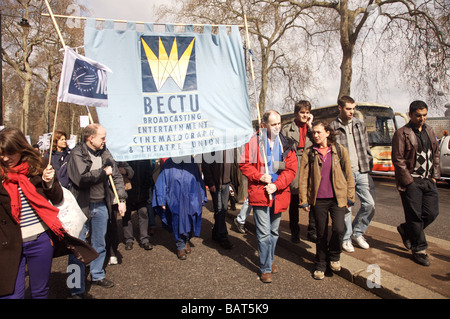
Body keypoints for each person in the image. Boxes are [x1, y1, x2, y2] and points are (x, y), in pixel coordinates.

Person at [0, 127, 97, 299]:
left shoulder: (40, 165)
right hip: (9, 242)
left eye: (10, 153)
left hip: (40, 239)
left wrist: (49, 182)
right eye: (2, 154)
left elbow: (58, 198)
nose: (5, 158)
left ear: (21, 148)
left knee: (40, 291)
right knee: (11, 294)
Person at [67, 123, 127, 298]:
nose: (104, 141)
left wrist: (121, 199)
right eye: (102, 137)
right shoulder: (77, 154)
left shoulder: (105, 153)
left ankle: (97, 275)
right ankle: (75, 287)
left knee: (99, 242)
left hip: (101, 205)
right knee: (77, 247)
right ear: (90, 138)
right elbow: (81, 179)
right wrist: (103, 172)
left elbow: (116, 176)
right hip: (81, 207)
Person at [239, 110, 297, 283]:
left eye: (279, 123)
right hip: (260, 194)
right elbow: (244, 164)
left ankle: (269, 260)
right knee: (264, 233)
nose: (278, 127)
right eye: (273, 124)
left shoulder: (286, 143)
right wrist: (260, 176)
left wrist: (276, 185)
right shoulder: (255, 142)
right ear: (264, 125)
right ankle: (265, 268)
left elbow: (291, 170)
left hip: (278, 194)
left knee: (274, 232)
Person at [299, 120, 355, 280]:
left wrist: (350, 196)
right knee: (321, 234)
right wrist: (304, 199)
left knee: (339, 229)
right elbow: (303, 178)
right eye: (313, 133)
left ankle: (335, 256)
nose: (315, 135)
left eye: (318, 132)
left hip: (338, 198)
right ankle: (320, 264)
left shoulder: (339, 150)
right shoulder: (309, 152)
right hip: (319, 200)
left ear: (327, 132)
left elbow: (349, 174)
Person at [392, 100, 440, 266]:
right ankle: (419, 249)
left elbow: (436, 155)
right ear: (410, 114)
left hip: (429, 180)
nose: (422, 118)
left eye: (425, 115)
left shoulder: (430, 131)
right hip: (412, 181)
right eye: (418, 115)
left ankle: (406, 229)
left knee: (432, 213)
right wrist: (409, 182)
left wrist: (435, 177)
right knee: (415, 216)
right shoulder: (402, 133)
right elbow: (398, 160)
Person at [330, 96, 375, 252]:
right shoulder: (333, 127)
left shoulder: (359, 124)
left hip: (362, 170)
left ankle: (358, 232)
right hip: (344, 174)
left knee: (370, 204)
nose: (352, 111)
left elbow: (365, 145)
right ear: (340, 108)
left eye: (353, 108)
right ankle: (346, 238)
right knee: (347, 208)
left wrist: (368, 162)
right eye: (348, 108)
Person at [153, 156, 207, 259]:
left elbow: (198, 179)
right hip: (175, 197)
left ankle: (186, 239)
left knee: (192, 218)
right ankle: (180, 245)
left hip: (192, 196)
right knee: (178, 220)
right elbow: (162, 181)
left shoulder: (191, 162)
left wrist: (202, 194)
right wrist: (161, 199)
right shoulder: (169, 163)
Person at [281, 100, 315, 243]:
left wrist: (311, 126)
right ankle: (294, 230)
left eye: (307, 112)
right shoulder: (287, 129)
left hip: (310, 163)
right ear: (296, 113)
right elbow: (282, 149)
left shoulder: (312, 128)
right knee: (294, 200)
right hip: (294, 162)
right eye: (302, 112)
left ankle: (312, 231)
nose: (305, 115)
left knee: (313, 198)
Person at [202, 149, 238, 249]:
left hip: (227, 183)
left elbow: (233, 165)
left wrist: (232, 181)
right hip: (216, 184)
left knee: (224, 210)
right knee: (219, 210)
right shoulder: (211, 146)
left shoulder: (230, 147)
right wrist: (211, 183)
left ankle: (215, 232)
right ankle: (223, 236)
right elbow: (205, 166)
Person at [121, 160, 154, 251]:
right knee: (126, 216)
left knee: (143, 212)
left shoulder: (144, 159)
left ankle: (144, 239)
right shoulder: (124, 157)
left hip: (142, 191)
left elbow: (148, 174)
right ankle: (128, 239)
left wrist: (146, 187)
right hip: (127, 192)